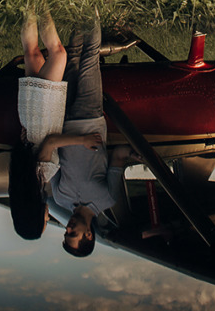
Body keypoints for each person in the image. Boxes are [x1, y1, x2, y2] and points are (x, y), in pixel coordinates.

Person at [34, 16, 132, 256]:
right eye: (72, 234)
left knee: (72, 57)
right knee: (90, 59)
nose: (67, 229)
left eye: (66, 233)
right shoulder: (107, 198)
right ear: (89, 234)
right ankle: (92, 10)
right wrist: (136, 155)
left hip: (64, 119)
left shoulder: (60, 197)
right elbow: (118, 158)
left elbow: (52, 158)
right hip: (90, 118)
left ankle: (77, 9)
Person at [9, 11, 67, 240]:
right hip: (29, 115)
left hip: (45, 114)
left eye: (44, 221)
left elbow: (50, 141)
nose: (48, 217)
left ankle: (42, 4)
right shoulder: (20, 181)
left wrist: (83, 140)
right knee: (31, 52)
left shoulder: (44, 176)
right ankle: (29, 4)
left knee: (58, 54)